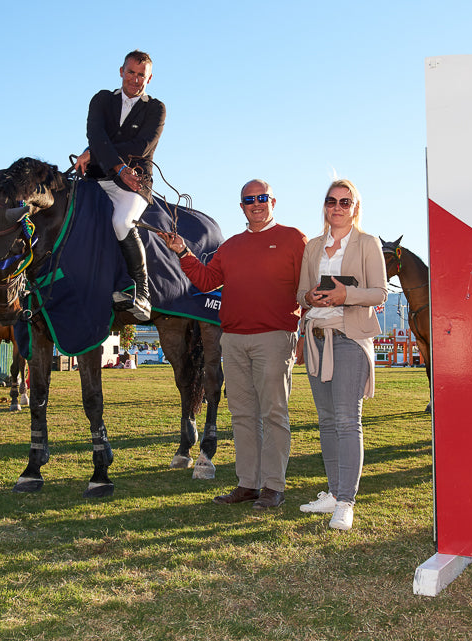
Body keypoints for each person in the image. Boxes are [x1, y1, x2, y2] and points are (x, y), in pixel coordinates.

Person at [158, 179, 306, 509]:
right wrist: (183, 251)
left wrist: (304, 331)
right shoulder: (231, 246)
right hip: (234, 340)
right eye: (248, 199)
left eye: (261, 198)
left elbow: (306, 287)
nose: (256, 203)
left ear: (273, 201)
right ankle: (248, 484)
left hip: (274, 338)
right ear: (241, 207)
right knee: (241, 415)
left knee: (273, 414)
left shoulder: (293, 239)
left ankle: (273, 486)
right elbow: (208, 280)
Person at [296, 179, 387, 531]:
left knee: (349, 420)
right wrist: (313, 299)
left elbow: (379, 292)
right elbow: (302, 292)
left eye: (345, 202)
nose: (337, 206)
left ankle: (346, 502)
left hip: (350, 338)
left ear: (356, 208)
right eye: (331, 201)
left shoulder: (367, 244)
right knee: (328, 421)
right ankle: (333, 493)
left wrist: (344, 294)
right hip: (317, 338)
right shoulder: (313, 246)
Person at [75, 50, 165, 322]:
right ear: (121, 71)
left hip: (135, 183)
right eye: (131, 72)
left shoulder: (156, 108)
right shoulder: (102, 99)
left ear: (149, 78)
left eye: (141, 75)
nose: (135, 80)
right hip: (95, 178)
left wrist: (97, 151)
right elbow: (96, 134)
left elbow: (142, 146)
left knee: (122, 222)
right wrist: (109, 159)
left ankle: (143, 293)